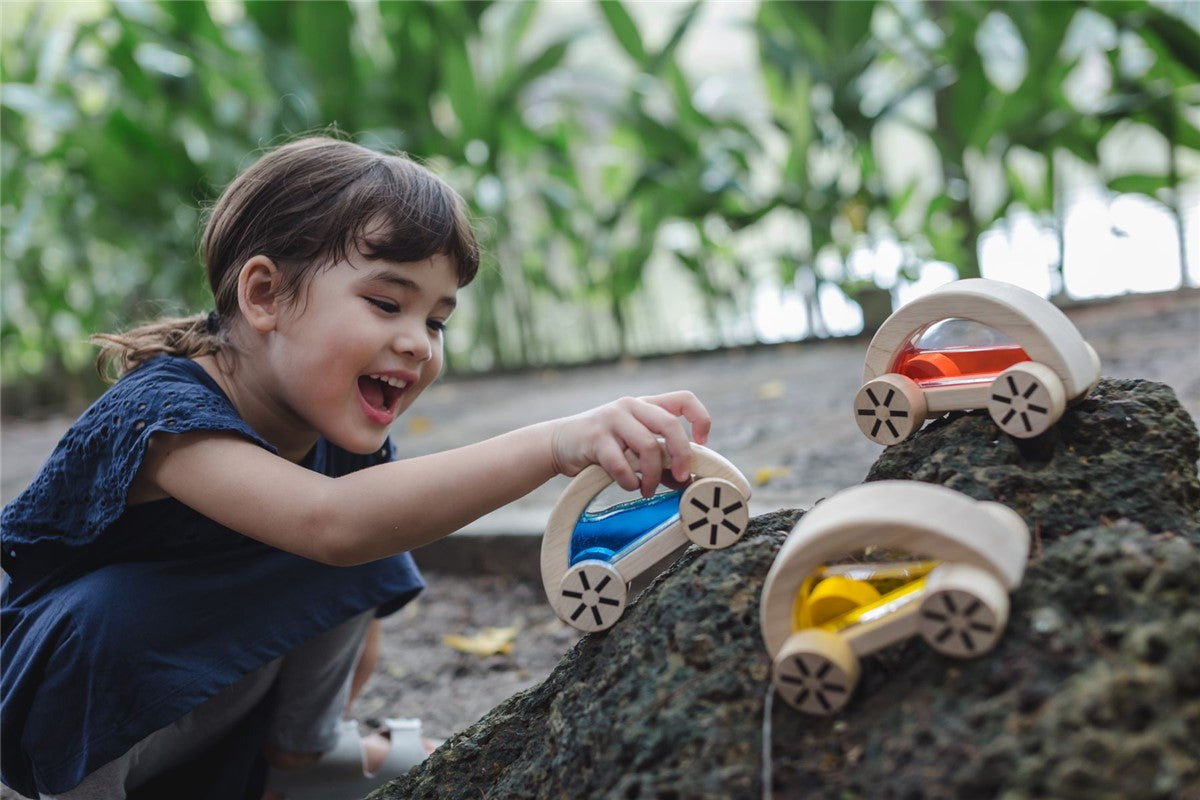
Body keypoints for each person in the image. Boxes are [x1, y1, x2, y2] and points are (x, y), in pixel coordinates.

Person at [0, 136, 711, 800]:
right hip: (46, 747)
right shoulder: (161, 415)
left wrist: (315, 727)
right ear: (264, 295)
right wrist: (558, 443)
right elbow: (333, 527)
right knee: (107, 618)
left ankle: (301, 762)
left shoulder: (335, 431)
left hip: (190, 724)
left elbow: (358, 575)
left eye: (436, 321)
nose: (418, 344)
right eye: (384, 303)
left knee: (372, 518)